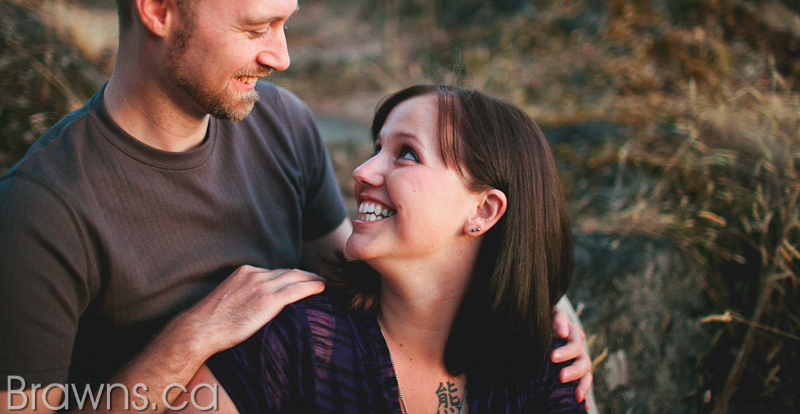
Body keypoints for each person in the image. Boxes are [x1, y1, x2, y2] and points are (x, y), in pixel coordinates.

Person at [0, 0, 591, 412]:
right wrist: (191, 339)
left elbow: (363, 274)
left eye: (285, 25)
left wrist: (529, 306)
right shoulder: (42, 211)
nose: (280, 57)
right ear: (158, 9)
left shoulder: (281, 122)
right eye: (255, 30)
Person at [182, 84, 587, 413]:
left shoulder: (540, 366)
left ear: (483, 209)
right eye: (377, 148)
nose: (362, 172)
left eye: (406, 154)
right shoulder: (294, 340)